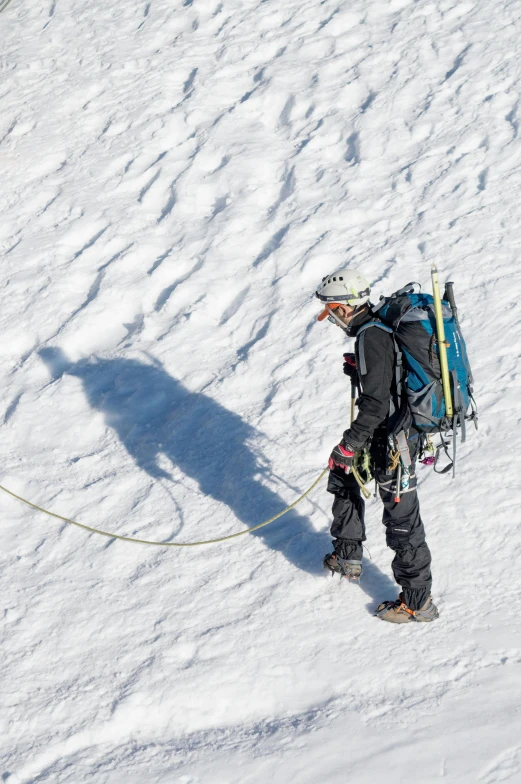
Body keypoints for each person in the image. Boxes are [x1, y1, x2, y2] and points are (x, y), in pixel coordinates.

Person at [315, 269, 439, 623]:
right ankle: (347, 555)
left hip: (394, 440)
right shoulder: (379, 330)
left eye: (332, 312)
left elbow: (375, 405)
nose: (333, 321)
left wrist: (349, 444)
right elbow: (389, 380)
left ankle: (418, 603)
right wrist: (362, 371)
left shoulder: (371, 336)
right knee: (343, 474)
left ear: (342, 308)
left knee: (402, 520)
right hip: (389, 434)